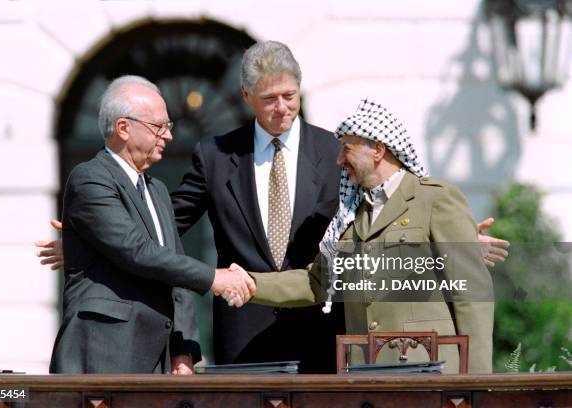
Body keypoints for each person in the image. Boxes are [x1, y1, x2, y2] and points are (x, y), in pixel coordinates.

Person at [37, 42, 508, 373]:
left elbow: (383, 221)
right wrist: (92, 238)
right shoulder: (216, 154)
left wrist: (454, 241)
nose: (282, 108)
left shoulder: (335, 151)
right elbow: (164, 226)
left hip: (332, 336)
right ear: (246, 98)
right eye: (269, 99)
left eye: (290, 96)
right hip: (245, 336)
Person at [231, 99, 496, 373]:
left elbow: (471, 294)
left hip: (428, 373)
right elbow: (316, 282)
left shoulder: (434, 199)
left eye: (346, 149)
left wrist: (476, 384)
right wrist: (250, 283)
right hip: (364, 375)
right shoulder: (349, 215)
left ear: (378, 150)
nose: (339, 160)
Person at [49, 75, 254, 374]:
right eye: (159, 127)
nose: (169, 136)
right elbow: (137, 251)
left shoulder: (156, 189)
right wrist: (214, 278)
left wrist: (185, 350)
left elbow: (174, 266)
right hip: (103, 354)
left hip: (155, 360)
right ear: (123, 128)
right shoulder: (90, 178)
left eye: (168, 127)